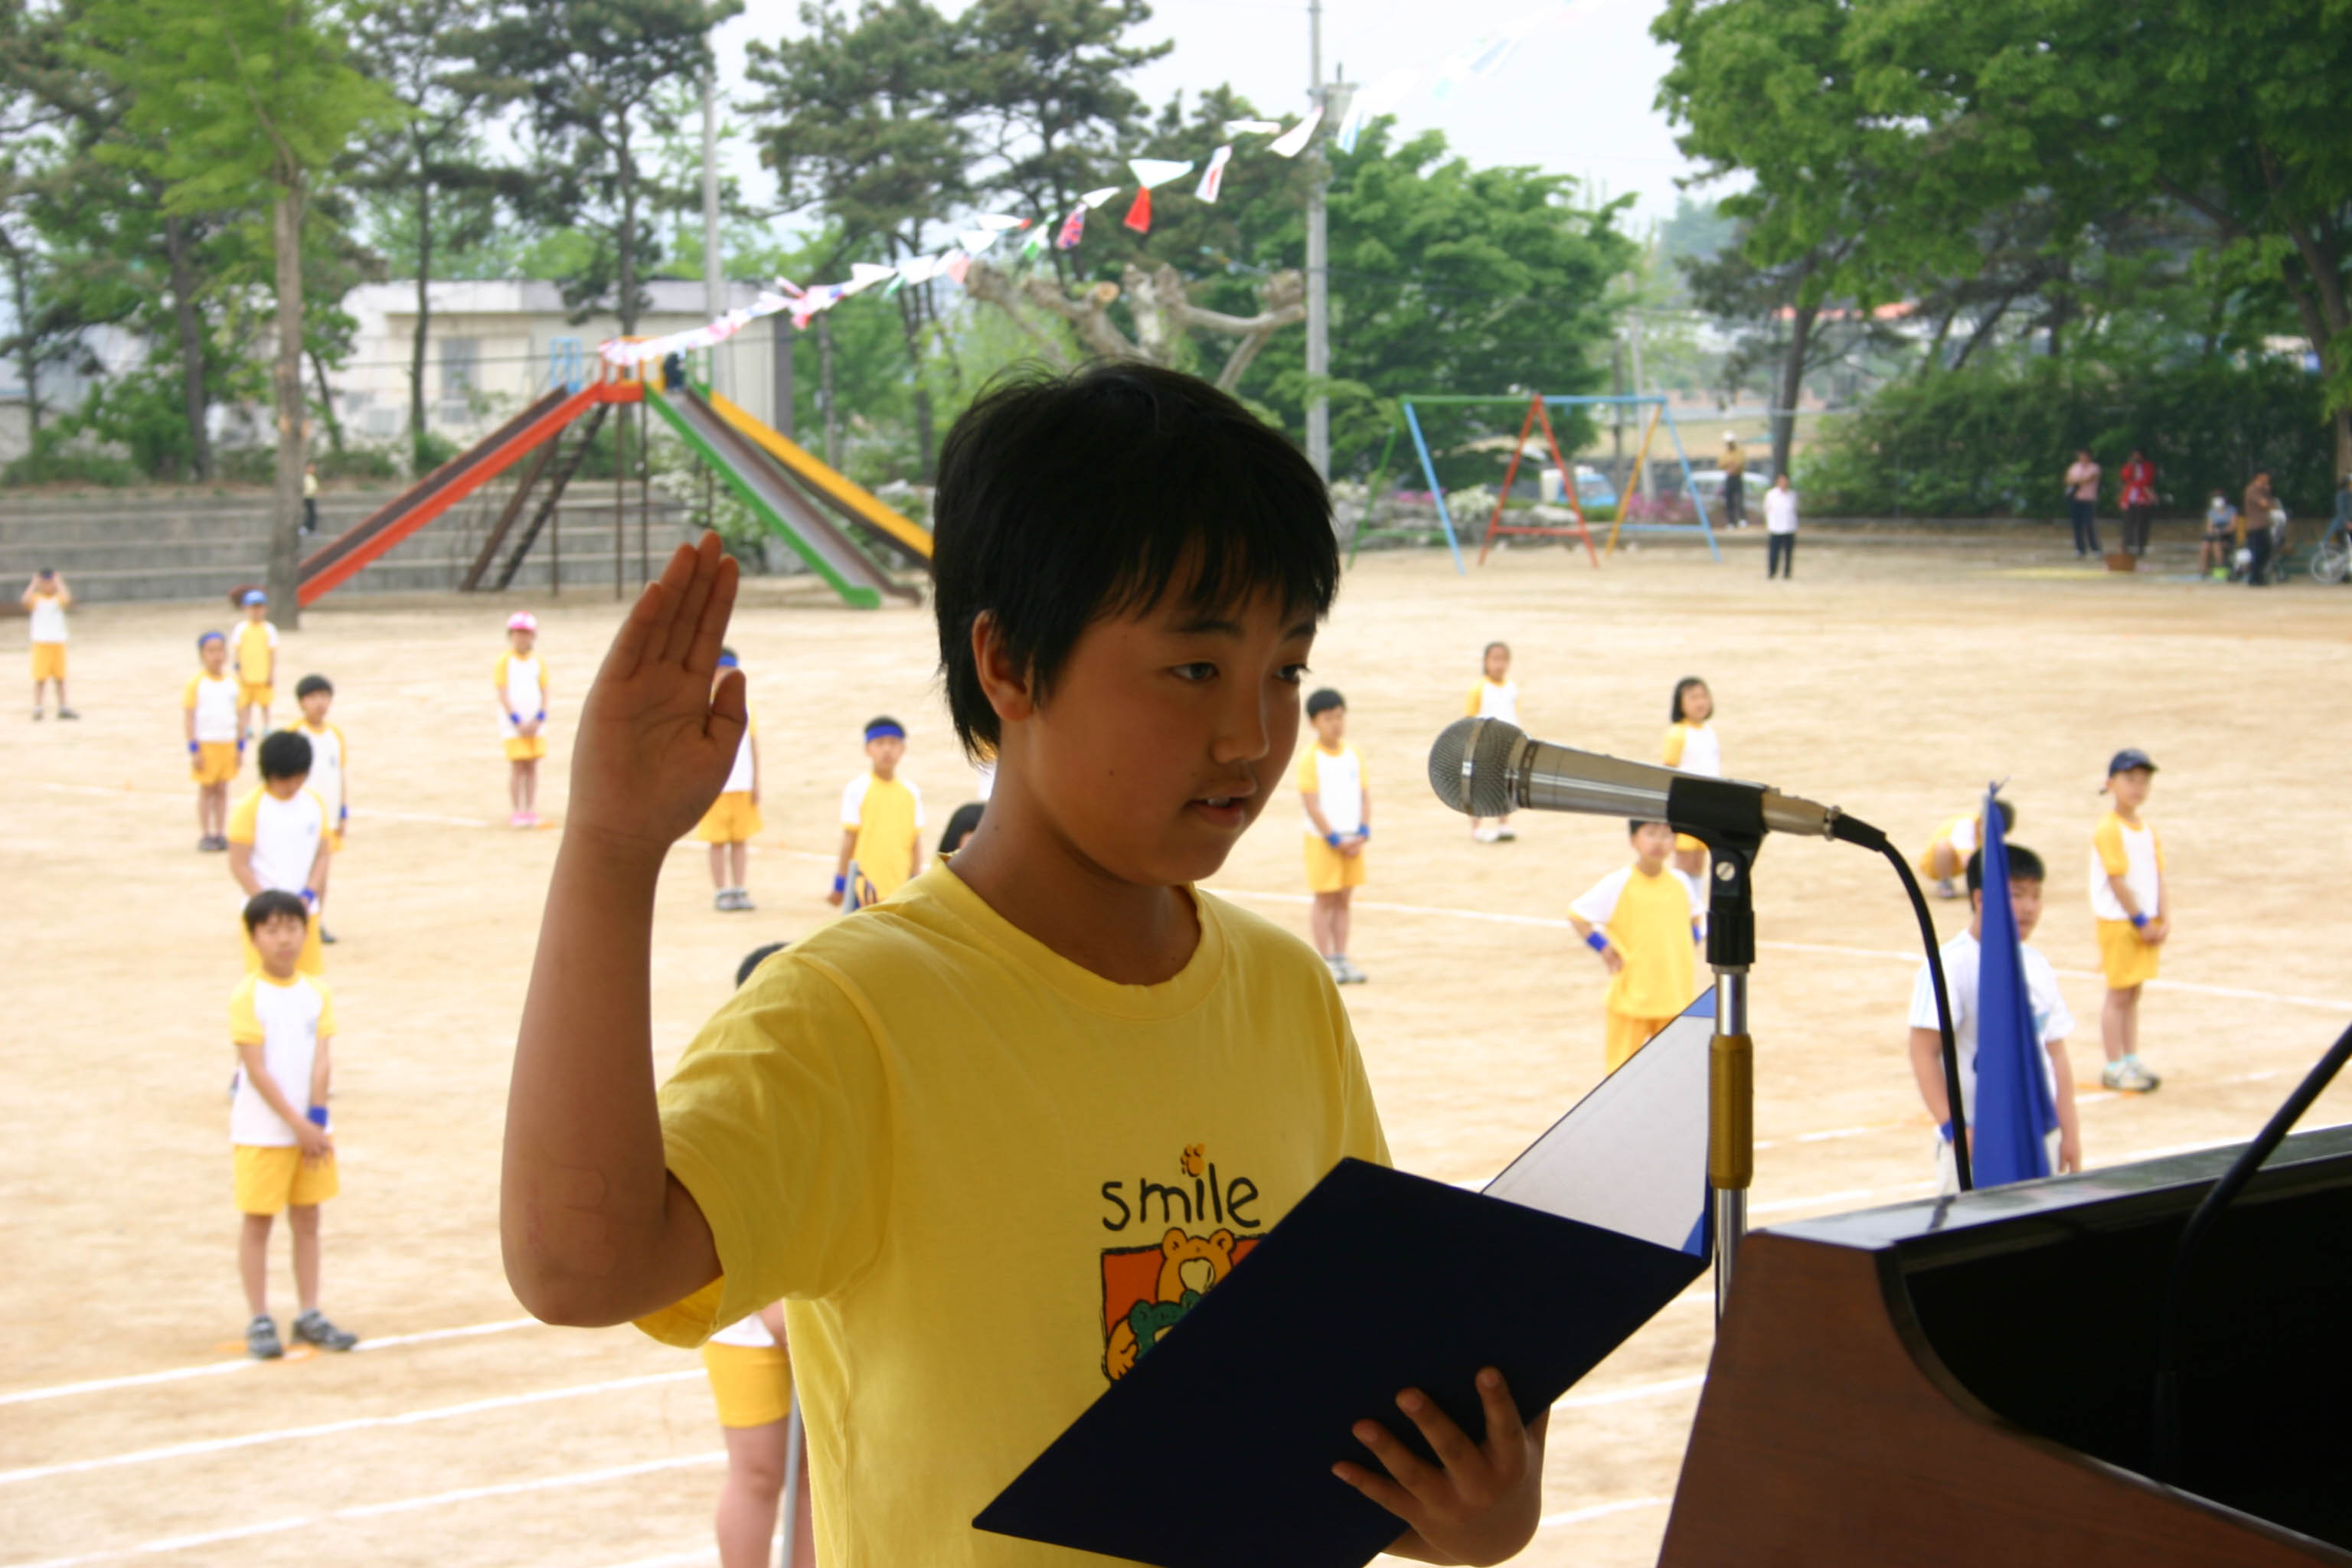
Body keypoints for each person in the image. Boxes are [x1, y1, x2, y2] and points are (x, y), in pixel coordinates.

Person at [500, 365, 1549, 1568]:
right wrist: (611, 845)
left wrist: (1474, 1512)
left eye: (1285, 668)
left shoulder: (1286, 995)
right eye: (1196, 667)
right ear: (1008, 665)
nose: (1250, 737)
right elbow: (577, 1266)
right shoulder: (855, 1015)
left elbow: (1339, 1411)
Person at [700, 944, 817, 1568]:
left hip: (808, 1304)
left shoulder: (826, 1083)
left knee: (812, 1473)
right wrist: (778, 1312)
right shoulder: (730, 1093)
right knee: (758, 1473)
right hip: (743, 1309)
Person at [1905, 845, 2081, 1194]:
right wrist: (1953, 1129)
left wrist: (2069, 1134)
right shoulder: (1951, 966)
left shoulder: (2038, 966)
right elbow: (1923, 1051)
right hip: (1977, 1142)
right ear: (1982, 898)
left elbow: (2056, 1054)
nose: (2030, 908)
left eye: (2036, 896)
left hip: (2037, 1138)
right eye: (2017, 895)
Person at [230, 887, 359, 1360]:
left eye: (292, 928)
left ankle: (309, 1312)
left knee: (308, 1219)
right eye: (272, 929)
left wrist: (317, 1120)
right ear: (254, 937)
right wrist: (298, 1124)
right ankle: (260, 1317)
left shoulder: (316, 992)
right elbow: (256, 1071)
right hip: (262, 1133)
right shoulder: (247, 996)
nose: (284, 939)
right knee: (259, 1222)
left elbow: (323, 1060)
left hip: (311, 1130)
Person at [1568, 820, 1706, 1071]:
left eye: (1666, 835)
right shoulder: (1618, 883)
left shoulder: (1681, 883)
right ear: (1634, 840)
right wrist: (1604, 948)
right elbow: (1578, 915)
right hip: (1631, 1001)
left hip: (1675, 999)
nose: (1658, 842)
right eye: (1651, 834)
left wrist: (1688, 943)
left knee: (1674, 1074)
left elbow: (1697, 916)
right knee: (1620, 1076)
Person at [2091, 749, 2167, 1093]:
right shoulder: (2109, 829)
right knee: (2118, 994)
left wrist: (2163, 917)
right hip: (2121, 923)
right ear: (2110, 784)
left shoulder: (2147, 830)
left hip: (2144, 923)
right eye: (2129, 779)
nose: (2138, 787)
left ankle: (2131, 1057)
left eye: (2143, 780)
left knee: (2133, 992)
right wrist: (2140, 920)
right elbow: (2117, 880)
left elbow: (2158, 874)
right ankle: (2114, 1064)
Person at [227, 730, 331, 978]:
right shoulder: (249, 808)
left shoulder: (314, 803)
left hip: (304, 915)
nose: (292, 786)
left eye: (299, 778)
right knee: (266, 985)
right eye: (284, 780)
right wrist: (266, 906)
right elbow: (239, 864)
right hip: (265, 921)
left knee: (307, 984)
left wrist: (308, 895)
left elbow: (323, 855)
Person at [1298, 687, 1370, 985]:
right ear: (1314, 722)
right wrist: (1334, 839)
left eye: (1340, 717)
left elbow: (1365, 796)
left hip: (1353, 840)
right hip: (1324, 841)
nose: (1336, 724)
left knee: (1344, 899)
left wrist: (1362, 833)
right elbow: (1311, 804)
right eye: (1328, 718)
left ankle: (1342, 957)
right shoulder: (1310, 759)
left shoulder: (1354, 755)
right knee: (1325, 899)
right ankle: (1325, 960)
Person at [828, 717, 923, 910]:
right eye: (879, 744)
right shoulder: (857, 789)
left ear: (902, 749)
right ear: (867, 749)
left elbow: (915, 841)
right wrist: (840, 882)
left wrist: (916, 879)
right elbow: (850, 837)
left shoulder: (911, 792)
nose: (887, 750)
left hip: (900, 888)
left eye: (893, 743)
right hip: (863, 886)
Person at [695, 649, 762, 912]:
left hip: (742, 785)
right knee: (717, 840)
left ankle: (739, 887)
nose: (724, 678)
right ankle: (721, 890)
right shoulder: (704, 707)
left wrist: (756, 782)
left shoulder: (746, 706)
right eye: (720, 672)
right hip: (717, 787)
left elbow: (753, 745)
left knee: (740, 839)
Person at [286, 675, 348, 942]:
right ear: (302, 702)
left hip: (328, 817)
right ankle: (292, 921)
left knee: (321, 872)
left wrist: (342, 811)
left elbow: (340, 774)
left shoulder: (335, 735)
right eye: (313, 697)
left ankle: (316, 921)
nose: (320, 703)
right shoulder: (295, 734)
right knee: (298, 869)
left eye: (325, 697)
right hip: (301, 816)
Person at [1661, 675, 1720, 887]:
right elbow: (1668, 771)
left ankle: (1695, 913)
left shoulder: (1709, 732)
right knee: (1685, 861)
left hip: (1708, 805)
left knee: (1699, 862)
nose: (1700, 702)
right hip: (1687, 805)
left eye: (1704, 696)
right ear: (1681, 703)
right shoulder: (1678, 734)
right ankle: (1683, 909)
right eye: (1693, 697)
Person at [186, 632, 243, 851]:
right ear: (202, 655)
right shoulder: (196, 684)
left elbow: (238, 715)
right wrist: (194, 748)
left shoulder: (233, 684)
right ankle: (206, 833)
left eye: (220, 650)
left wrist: (240, 745)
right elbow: (189, 716)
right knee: (207, 788)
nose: (216, 656)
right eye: (211, 651)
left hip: (227, 743)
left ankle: (220, 832)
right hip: (207, 743)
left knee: (222, 788)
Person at [495, 611, 550, 827]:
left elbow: (545, 690)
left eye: (526, 634)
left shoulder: (538, 662)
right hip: (514, 724)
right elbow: (503, 692)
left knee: (532, 766)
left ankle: (530, 809)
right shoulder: (504, 662)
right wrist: (516, 720)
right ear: (511, 635)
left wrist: (540, 717)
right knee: (518, 766)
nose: (522, 638)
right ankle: (517, 810)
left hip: (535, 723)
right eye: (518, 633)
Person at [1463, 641, 1518, 843]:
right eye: (1495, 659)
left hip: (1506, 744)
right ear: (1486, 662)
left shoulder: (1512, 688)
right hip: (1484, 745)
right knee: (1479, 787)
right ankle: (1477, 827)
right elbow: (1469, 718)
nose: (1499, 664)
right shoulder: (1479, 688)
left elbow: (1513, 715)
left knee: (1504, 785)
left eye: (1504, 659)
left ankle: (1503, 823)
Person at [1917, 799, 2017, 900]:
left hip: (1961, 860)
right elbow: (1967, 862)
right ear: (1981, 821)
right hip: (1935, 865)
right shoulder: (1965, 826)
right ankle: (1945, 883)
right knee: (1943, 846)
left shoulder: (1984, 826)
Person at [24, 568, 76, 720]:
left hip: (58, 642)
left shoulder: (57, 598)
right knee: (40, 679)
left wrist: (59, 583)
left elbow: (67, 600)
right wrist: (33, 584)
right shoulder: (36, 599)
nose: (48, 585)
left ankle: (63, 707)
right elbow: (25, 601)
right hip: (41, 643)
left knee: (61, 678)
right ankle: (38, 708)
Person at [233, 589, 279, 740]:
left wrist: (271, 673)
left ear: (265, 609)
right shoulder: (241, 629)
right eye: (253, 607)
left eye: (259, 607)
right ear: (245, 608)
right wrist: (238, 670)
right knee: (246, 704)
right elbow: (237, 652)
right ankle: (247, 727)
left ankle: (266, 726)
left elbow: (272, 653)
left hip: (263, 673)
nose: (256, 611)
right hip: (246, 674)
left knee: (265, 703)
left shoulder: (269, 629)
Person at [2063, 450, 2102, 559]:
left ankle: (2095, 548)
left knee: (2089, 524)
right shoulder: (2075, 467)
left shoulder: (2094, 467)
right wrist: (2077, 481)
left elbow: (2089, 479)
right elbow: (2068, 479)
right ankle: (2080, 549)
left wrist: (2076, 481)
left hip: (2088, 499)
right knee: (2077, 525)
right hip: (2076, 499)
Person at [2241, 471, 2278, 586]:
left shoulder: (2263, 491)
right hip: (2255, 526)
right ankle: (2254, 578)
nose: (2268, 479)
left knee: (2266, 551)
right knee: (2257, 553)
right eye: (2265, 476)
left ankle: (2258, 576)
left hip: (2264, 525)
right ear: (2259, 477)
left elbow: (2270, 503)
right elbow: (2265, 504)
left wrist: (2268, 493)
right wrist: (2270, 502)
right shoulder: (2252, 490)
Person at [2118, 448, 2157, 556]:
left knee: (2142, 523)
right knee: (2128, 523)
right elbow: (2125, 477)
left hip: (2143, 497)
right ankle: (2128, 545)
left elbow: (2148, 479)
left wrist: (2136, 483)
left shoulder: (2148, 466)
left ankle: (2141, 546)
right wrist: (2131, 466)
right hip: (2130, 497)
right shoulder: (2130, 465)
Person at [1762, 472, 1798, 577]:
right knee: (1774, 552)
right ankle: (1772, 571)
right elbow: (1766, 509)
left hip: (1789, 527)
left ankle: (1787, 573)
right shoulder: (1771, 495)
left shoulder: (1792, 495)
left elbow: (1794, 510)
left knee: (1788, 553)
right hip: (1775, 527)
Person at [2200, 492, 2238, 579]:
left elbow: (2233, 526)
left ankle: (2221, 567)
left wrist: (2221, 531)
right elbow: (2209, 527)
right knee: (2205, 546)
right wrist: (2214, 531)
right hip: (2214, 536)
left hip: (2227, 537)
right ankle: (2203, 570)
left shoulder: (2231, 510)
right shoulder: (2211, 512)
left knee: (2217, 546)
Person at [1720, 433, 1748, 529]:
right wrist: (1730, 465)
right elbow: (1721, 464)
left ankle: (1742, 519)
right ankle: (1731, 522)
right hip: (1729, 478)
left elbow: (1740, 462)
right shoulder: (1725, 453)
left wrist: (1732, 466)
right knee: (1729, 500)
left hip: (1737, 477)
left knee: (1740, 499)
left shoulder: (1739, 452)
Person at [301, 463, 319, 536]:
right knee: (311, 514)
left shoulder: (311, 477)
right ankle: (306, 528)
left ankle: (311, 529)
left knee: (312, 514)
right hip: (307, 497)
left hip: (311, 497)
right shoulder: (306, 477)